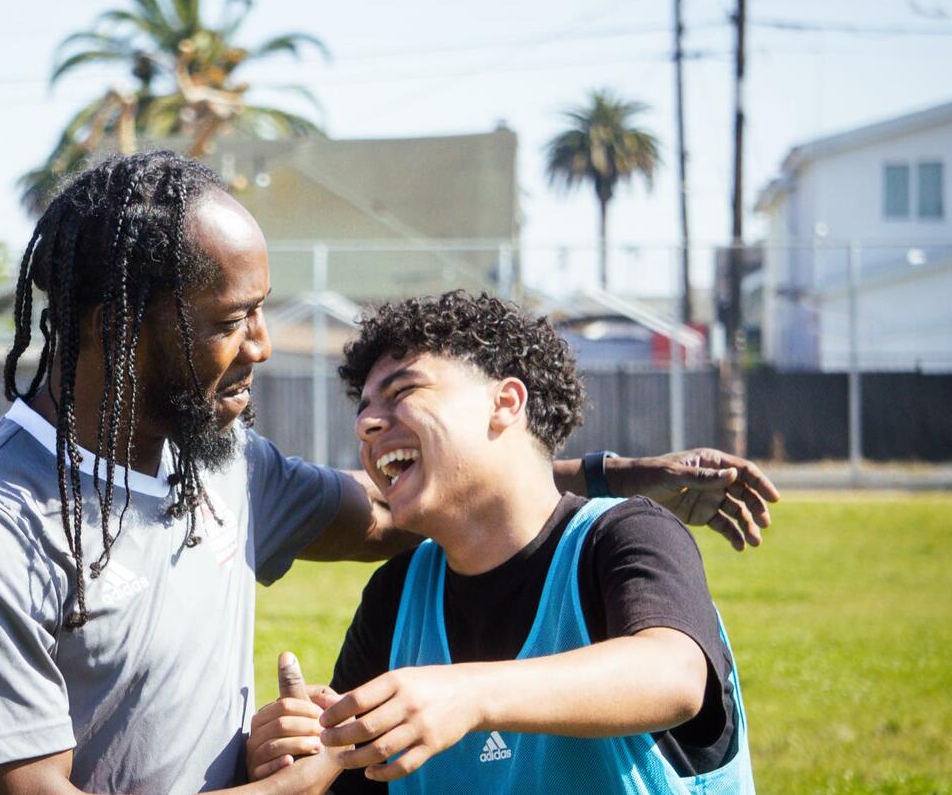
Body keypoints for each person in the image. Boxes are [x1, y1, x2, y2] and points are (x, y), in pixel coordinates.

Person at [0, 152, 777, 795]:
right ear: (115, 328)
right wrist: (291, 783)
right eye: (233, 319)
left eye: (263, 312)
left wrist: (614, 479)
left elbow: (405, 507)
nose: (264, 347)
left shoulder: (223, 464)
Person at [247, 291, 755, 794]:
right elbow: (355, 779)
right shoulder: (396, 595)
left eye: (402, 392)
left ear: (505, 403)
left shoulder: (621, 535)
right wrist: (307, 758)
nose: (366, 423)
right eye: (363, 410)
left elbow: (672, 674)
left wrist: (469, 695)